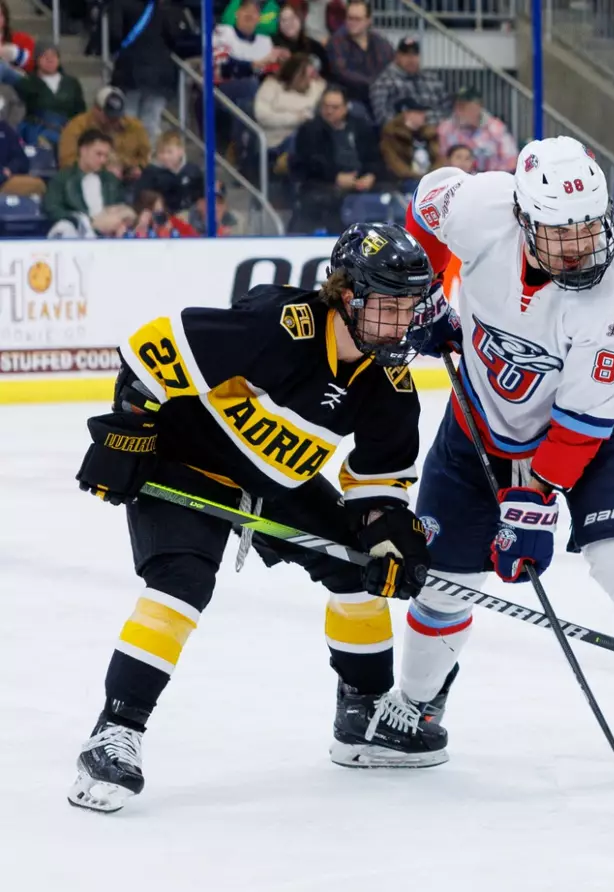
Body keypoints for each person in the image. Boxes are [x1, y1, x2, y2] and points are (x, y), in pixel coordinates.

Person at [67, 224, 434, 812]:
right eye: (388, 307)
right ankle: (115, 733)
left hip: (276, 480)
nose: (403, 323)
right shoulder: (280, 327)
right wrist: (129, 431)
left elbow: (376, 483)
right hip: (187, 462)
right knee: (183, 582)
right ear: (345, 295)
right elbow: (154, 346)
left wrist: (386, 530)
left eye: (411, 307)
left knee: (360, 565)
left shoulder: (390, 383)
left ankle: (363, 715)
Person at [399, 137, 614, 773]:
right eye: (559, 232)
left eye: (589, 227)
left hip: (598, 435)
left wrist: (536, 498)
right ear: (523, 219)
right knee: (445, 580)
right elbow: (425, 213)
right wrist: (427, 295)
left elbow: (583, 424)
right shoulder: (479, 206)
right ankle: (415, 706)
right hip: (479, 421)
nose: (579, 245)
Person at [290, 84, 382, 234]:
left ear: (346, 108)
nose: (329, 111)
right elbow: (308, 163)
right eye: (326, 106)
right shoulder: (309, 130)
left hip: (361, 184)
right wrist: (336, 177)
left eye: (335, 107)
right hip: (323, 185)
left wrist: (371, 175)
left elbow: (374, 157)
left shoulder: (361, 127)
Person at [111, 0, 189, 138]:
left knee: (128, 121)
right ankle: (148, 156)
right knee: (151, 122)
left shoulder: (121, 4)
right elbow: (174, 38)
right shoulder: (164, 8)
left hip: (129, 71)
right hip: (160, 74)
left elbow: (115, 34)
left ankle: (129, 156)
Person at [59, 87, 150, 184]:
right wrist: (101, 168)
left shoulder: (134, 126)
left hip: (126, 179)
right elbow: (67, 161)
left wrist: (135, 167)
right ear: (96, 109)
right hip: (88, 179)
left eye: (118, 116)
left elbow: (145, 156)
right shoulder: (77, 126)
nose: (114, 121)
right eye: (109, 116)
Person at [43, 129, 124, 231]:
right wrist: (84, 221)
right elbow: (52, 208)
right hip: (78, 232)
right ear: (83, 150)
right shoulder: (62, 178)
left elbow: (121, 204)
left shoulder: (110, 180)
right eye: (98, 154)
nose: (103, 160)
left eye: (106, 156)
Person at [326, 0, 394, 116]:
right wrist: (373, 84)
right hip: (351, 97)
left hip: (380, 96)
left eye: (357, 19)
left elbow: (391, 66)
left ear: (368, 20)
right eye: (349, 18)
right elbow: (341, 72)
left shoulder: (381, 43)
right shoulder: (337, 41)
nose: (352, 23)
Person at [369, 35, 450, 126]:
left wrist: (424, 118)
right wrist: (407, 122)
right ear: (397, 56)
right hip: (401, 135)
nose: (411, 59)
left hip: (434, 133)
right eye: (406, 54)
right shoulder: (383, 82)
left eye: (415, 54)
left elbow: (448, 112)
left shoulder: (433, 79)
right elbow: (382, 118)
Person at [255, 52, 325, 152]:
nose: (310, 80)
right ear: (294, 74)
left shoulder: (317, 87)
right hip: (275, 141)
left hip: (305, 137)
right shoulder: (272, 85)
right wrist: (296, 118)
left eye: (312, 75)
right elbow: (262, 115)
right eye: (306, 76)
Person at [436, 88, 517, 174]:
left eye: (465, 107)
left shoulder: (495, 128)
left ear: (479, 107)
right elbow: (440, 161)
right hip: (454, 181)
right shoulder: (445, 128)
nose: (460, 110)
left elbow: (511, 161)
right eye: (458, 106)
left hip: (491, 181)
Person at [18, 45, 85, 148]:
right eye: (45, 56)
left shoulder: (71, 83)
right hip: (38, 131)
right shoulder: (27, 83)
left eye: (53, 56)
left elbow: (80, 111)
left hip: (69, 131)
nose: (50, 60)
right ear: (37, 59)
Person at [133, 129, 205, 214]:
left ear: (181, 151)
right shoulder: (151, 174)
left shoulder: (193, 171)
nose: (165, 157)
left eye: (169, 152)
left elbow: (200, 198)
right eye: (161, 152)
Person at [380, 97, 442, 189]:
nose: (423, 116)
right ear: (406, 114)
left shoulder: (430, 134)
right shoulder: (392, 135)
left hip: (430, 179)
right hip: (405, 181)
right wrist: (417, 177)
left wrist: (433, 175)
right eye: (419, 113)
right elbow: (395, 163)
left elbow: (439, 158)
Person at [272, 2, 329, 77]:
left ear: (300, 18)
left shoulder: (314, 46)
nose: (288, 23)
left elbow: (326, 72)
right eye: (284, 20)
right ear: (279, 25)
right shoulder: (274, 46)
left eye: (292, 18)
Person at [0, 114, 39, 195]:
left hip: (5, 180)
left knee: (37, 185)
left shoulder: (5, 129)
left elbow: (22, 160)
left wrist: (10, 169)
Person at [0, 0, 35, 86]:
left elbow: (35, 64)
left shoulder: (22, 39)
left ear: (5, 18)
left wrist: (14, 53)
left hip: (18, 86)